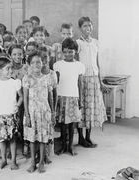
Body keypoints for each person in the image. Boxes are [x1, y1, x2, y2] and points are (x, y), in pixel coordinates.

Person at [76, 17, 108, 148]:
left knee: (91, 108)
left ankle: (88, 137)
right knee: (82, 108)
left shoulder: (96, 42)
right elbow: (76, 63)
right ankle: (81, 138)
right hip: (82, 79)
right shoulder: (78, 43)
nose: (87, 28)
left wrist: (100, 80)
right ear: (80, 28)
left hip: (94, 79)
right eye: (84, 26)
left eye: (89, 25)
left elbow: (97, 63)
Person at [0, 57, 23, 170]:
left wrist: (17, 105)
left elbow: (21, 97)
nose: (10, 71)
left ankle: (13, 160)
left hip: (11, 115)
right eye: (7, 69)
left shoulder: (15, 82)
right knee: (1, 139)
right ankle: (3, 159)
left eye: (11, 68)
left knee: (12, 139)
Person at [23, 52, 54, 173]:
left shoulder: (47, 78)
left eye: (38, 62)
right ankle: (32, 162)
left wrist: (52, 113)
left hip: (44, 112)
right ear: (29, 64)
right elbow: (25, 98)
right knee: (32, 139)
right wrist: (27, 115)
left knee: (42, 139)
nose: (36, 64)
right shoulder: (27, 78)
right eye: (33, 62)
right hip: (32, 112)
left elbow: (50, 97)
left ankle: (41, 161)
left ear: (43, 63)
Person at [53, 38, 85, 156]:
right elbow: (55, 84)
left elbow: (80, 84)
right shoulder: (57, 65)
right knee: (62, 123)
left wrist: (80, 99)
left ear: (75, 51)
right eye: (65, 52)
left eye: (71, 52)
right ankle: (63, 146)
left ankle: (70, 145)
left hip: (73, 97)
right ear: (62, 52)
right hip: (61, 96)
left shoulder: (79, 65)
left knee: (72, 123)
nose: (68, 54)